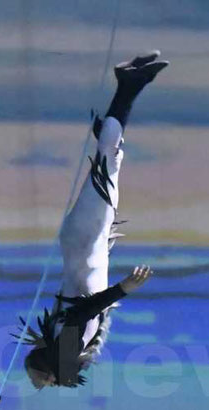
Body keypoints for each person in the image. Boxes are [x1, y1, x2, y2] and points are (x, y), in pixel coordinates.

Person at [23, 51, 168, 388]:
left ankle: (128, 84)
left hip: (85, 237)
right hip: (88, 239)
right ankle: (132, 85)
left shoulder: (69, 343)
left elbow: (79, 313)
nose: (42, 383)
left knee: (109, 161)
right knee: (110, 160)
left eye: (44, 380)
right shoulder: (70, 347)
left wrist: (123, 288)